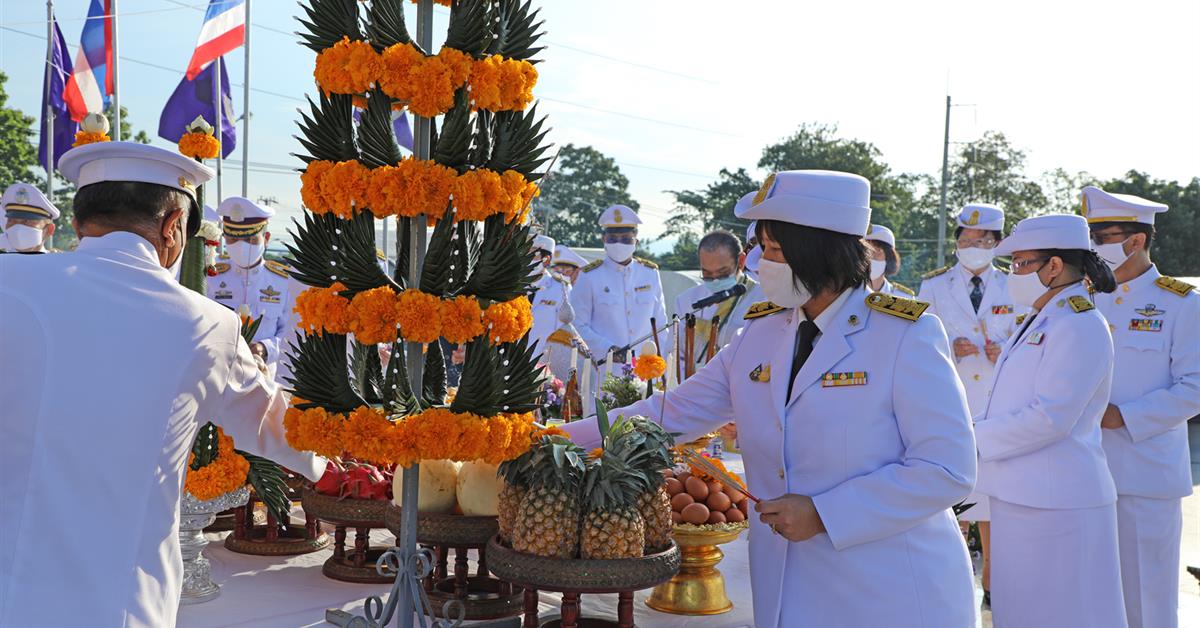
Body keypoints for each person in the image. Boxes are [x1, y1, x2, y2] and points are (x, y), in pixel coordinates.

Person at [564, 170, 977, 628]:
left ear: (818, 253)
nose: (760, 262)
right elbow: (670, 412)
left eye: (775, 251)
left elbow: (947, 469)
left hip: (889, 589)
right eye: (761, 247)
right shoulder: (760, 333)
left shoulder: (904, 335)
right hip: (788, 584)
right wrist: (552, 438)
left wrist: (825, 514)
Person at [0, 142, 324, 627]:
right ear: (174, 227)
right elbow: (278, 429)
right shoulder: (208, 323)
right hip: (119, 604)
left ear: (73, 221)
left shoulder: (9, 283)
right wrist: (342, 462)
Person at [974, 214, 1124, 628]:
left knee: (1064, 615)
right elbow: (1006, 403)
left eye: (1020, 263)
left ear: (1053, 266)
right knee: (1021, 612)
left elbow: (1051, 417)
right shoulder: (1041, 318)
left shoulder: (1079, 323)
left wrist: (970, 439)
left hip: (1057, 502)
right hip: (1023, 495)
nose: (1012, 274)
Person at [1084, 186, 1200, 628]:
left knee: (1146, 604)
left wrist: (1124, 416)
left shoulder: (1181, 303)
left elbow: (1195, 386)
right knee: (1092, 602)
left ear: (1135, 240)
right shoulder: (1084, 299)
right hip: (1084, 474)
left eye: (1102, 237)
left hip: (1145, 477)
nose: (1093, 248)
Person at [917, 204, 1020, 599]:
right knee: (954, 494)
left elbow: (1029, 333)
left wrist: (1005, 350)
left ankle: (996, 579)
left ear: (996, 244)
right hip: (952, 401)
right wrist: (949, 346)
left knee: (995, 500)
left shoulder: (1015, 283)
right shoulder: (935, 285)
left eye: (981, 241)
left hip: (1000, 404)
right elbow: (921, 338)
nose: (971, 246)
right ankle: (953, 576)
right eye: (965, 240)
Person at [570, 204, 670, 370]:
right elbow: (577, 325)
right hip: (603, 371)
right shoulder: (589, 276)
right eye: (613, 239)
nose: (619, 244)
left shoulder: (650, 273)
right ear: (604, 240)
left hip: (645, 371)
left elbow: (660, 324)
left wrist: (663, 365)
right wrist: (606, 348)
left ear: (636, 241)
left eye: (625, 239)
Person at [207, 196, 295, 382]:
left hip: (263, 377)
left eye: (250, 239)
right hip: (217, 374)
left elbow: (289, 332)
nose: (241, 246)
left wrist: (265, 348)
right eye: (233, 240)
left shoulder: (282, 280)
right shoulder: (212, 275)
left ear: (267, 238)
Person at [672, 229, 763, 374]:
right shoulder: (686, 300)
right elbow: (673, 355)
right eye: (707, 273)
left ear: (741, 261)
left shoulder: (763, 298)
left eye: (722, 272)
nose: (715, 280)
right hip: (691, 388)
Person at [528, 234, 573, 361]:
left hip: (543, 363)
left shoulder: (560, 288)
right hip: (509, 363)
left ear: (546, 260)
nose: (526, 258)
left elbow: (563, 332)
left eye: (532, 254)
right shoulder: (511, 286)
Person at [1, 182, 60, 254]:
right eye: (11, 220)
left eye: (27, 221)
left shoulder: (58, 262)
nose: (17, 227)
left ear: (49, 229)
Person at [862, 224, 914, 296]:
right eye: (866, 251)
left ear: (889, 257)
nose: (871, 258)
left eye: (878, 251)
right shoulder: (844, 295)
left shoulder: (903, 297)